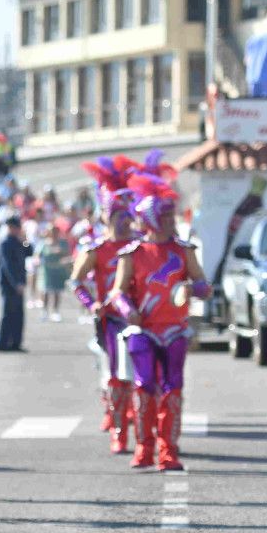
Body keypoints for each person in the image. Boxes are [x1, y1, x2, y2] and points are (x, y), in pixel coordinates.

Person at [109, 175, 211, 471]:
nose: (170, 221)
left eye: (170, 215)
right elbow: (118, 291)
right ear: (150, 219)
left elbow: (204, 284)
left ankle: (169, 449)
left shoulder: (183, 250)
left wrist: (193, 289)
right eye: (164, 216)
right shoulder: (133, 254)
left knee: (173, 389)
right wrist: (128, 308)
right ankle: (144, 447)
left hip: (175, 330)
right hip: (143, 330)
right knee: (144, 387)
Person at [70, 186, 137, 454]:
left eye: (126, 214)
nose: (123, 221)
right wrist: (92, 303)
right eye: (117, 215)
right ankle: (119, 431)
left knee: (146, 379)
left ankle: (147, 431)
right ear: (106, 217)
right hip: (111, 321)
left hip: (143, 321)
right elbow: (76, 281)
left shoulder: (139, 245)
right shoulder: (96, 248)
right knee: (116, 377)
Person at [0, 216, 29, 351]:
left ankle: (16, 342)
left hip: (19, 283)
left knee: (18, 315)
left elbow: (30, 251)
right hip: (9, 284)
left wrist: (25, 241)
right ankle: (3, 343)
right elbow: (7, 266)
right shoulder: (5, 243)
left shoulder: (18, 242)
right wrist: (16, 284)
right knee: (8, 314)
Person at [35, 223, 72, 322]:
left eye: (56, 231)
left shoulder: (63, 243)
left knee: (57, 292)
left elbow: (68, 254)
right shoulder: (43, 243)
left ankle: (55, 311)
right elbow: (37, 256)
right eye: (52, 231)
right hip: (46, 270)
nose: (54, 233)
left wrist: (60, 252)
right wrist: (37, 261)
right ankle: (44, 311)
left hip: (58, 270)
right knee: (45, 291)